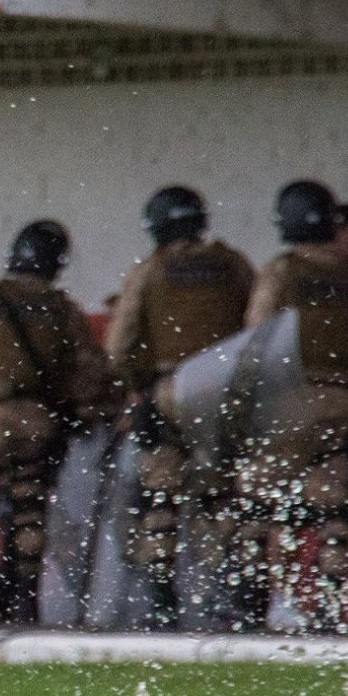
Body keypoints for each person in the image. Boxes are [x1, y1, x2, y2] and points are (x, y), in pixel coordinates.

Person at [0, 220, 119, 624]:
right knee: (30, 508)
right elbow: (93, 372)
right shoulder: (65, 310)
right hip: (41, 423)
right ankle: (26, 600)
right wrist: (79, 415)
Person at [241, 180, 348, 633]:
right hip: (343, 407)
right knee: (336, 506)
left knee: (279, 508)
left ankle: (285, 601)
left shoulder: (282, 271)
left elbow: (257, 337)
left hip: (290, 403)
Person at [104, 186, 257, 626]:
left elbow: (119, 346)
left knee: (161, 495)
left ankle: (162, 601)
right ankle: (231, 594)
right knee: (220, 496)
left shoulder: (150, 271)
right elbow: (260, 327)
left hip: (172, 387)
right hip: (227, 391)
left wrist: (139, 387)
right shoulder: (234, 265)